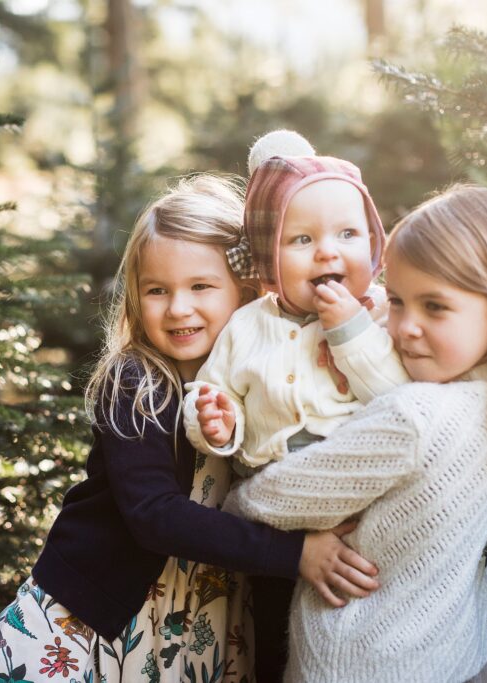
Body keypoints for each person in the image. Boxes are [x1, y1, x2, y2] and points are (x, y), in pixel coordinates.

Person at [0, 174, 379, 683]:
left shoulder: (266, 384)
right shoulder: (135, 381)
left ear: (250, 288)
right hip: (90, 626)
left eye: (201, 287)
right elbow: (154, 515)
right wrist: (295, 554)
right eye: (157, 290)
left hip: (199, 626)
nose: (178, 308)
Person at [225, 184, 487, 683]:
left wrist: (240, 492)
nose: (403, 327)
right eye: (397, 301)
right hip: (461, 652)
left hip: (363, 663)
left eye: (435, 307)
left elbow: (260, 505)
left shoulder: (413, 418)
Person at [182, 130, 410, 680]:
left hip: (362, 523)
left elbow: (399, 400)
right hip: (275, 530)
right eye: (302, 240)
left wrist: (349, 330)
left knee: (358, 638)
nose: (329, 251)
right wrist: (215, 423)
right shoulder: (247, 325)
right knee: (276, 648)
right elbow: (209, 394)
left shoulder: (376, 315)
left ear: (374, 247)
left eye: (348, 234)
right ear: (267, 258)